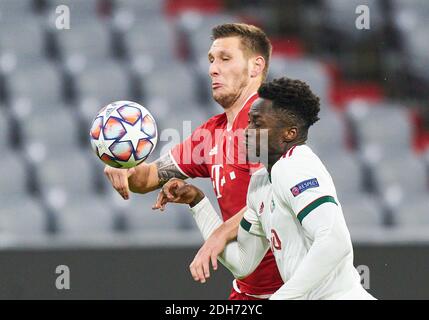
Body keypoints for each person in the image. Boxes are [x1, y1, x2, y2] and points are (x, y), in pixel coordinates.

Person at [104, 23, 284, 299]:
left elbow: (269, 200)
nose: (213, 69)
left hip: (294, 289)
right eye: (211, 60)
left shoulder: (266, 124)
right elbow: (148, 178)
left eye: (225, 58)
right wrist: (121, 162)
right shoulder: (212, 134)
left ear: (255, 66)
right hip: (247, 291)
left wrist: (220, 234)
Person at [154, 77, 376, 300]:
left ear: (289, 133)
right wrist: (198, 202)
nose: (246, 131)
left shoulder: (296, 166)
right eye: (249, 122)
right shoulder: (261, 182)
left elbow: (335, 242)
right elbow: (242, 263)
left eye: (258, 124)